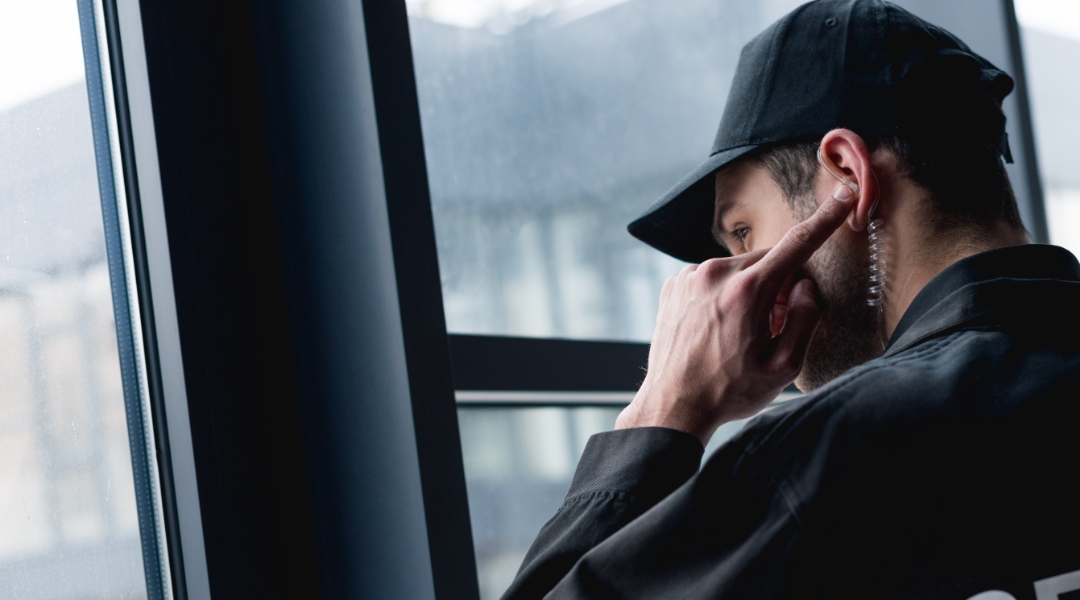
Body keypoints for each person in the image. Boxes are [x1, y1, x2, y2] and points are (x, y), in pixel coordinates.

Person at [501, 1, 1080, 599]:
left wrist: (662, 413)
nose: (730, 276)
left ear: (848, 176)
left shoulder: (823, 464)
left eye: (743, 231)